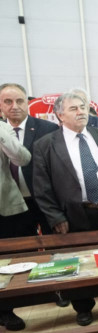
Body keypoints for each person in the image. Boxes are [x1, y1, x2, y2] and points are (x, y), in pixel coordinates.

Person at [32, 92, 98, 326]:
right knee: (78, 261)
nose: (81, 111)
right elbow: (42, 188)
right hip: (74, 215)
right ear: (60, 115)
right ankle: (83, 307)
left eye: (82, 107)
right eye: (73, 108)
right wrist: (55, 217)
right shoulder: (46, 145)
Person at [0, 82, 59, 236]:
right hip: (9, 205)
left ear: (27, 103)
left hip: (44, 202)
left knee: (54, 245)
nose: (14, 106)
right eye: (8, 101)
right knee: (19, 247)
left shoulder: (48, 129)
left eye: (19, 101)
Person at [0, 120, 32, 331]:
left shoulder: (3, 128)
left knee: (6, 260)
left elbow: (23, 158)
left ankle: (5, 310)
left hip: (4, 204)